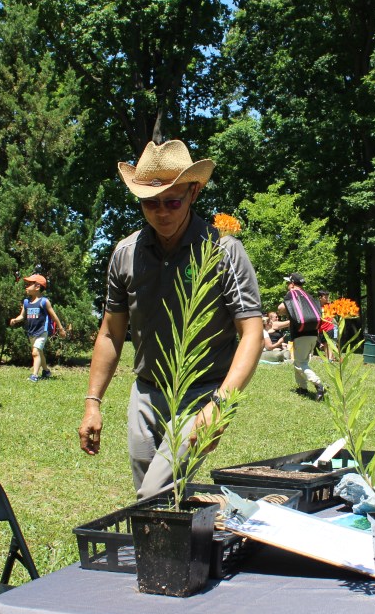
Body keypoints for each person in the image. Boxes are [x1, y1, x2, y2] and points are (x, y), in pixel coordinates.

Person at [78, 140, 263, 500]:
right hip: (146, 392)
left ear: (193, 193)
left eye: (172, 201)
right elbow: (111, 334)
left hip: (201, 392)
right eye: (150, 202)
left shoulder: (223, 251)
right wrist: (92, 403)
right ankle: (178, 552)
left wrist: (220, 406)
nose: (161, 212)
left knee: (153, 497)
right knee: (157, 501)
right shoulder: (125, 254)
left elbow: (252, 333)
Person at [9, 273, 68, 381]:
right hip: (32, 331)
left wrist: (61, 329)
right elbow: (22, 316)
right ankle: (46, 371)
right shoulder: (26, 302)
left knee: (35, 352)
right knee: (39, 352)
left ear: (37, 287)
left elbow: (54, 317)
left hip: (42, 331)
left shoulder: (44, 302)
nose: (26, 287)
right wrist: (16, 320)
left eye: (29, 284)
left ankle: (34, 376)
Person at [283, 273, 326, 399]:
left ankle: (319, 385)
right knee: (299, 361)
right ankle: (302, 388)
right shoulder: (309, 296)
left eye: (288, 283)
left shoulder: (292, 294)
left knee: (300, 363)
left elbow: (281, 308)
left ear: (292, 283)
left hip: (301, 335)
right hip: (313, 334)